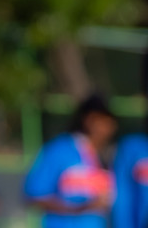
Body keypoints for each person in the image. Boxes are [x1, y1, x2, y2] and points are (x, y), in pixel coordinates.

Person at [24, 94, 118, 228]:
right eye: (103, 121)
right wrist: (78, 209)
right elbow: (34, 197)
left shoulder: (109, 155)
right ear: (88, 120)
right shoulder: (59, 150)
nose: (108, 127)